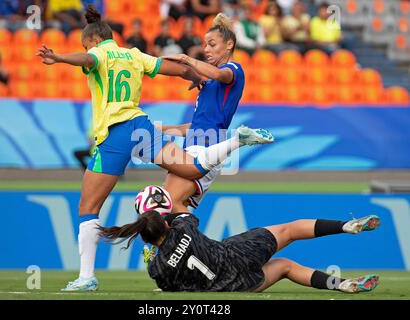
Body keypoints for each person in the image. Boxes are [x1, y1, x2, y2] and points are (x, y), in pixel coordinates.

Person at [36, 5, 274, 291]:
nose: (207, 49)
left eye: (211, 44)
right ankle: (170, 257)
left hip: (117, 132)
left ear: (95, 40)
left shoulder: (100, 52)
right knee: (165, 198)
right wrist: (191, 78)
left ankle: (89, 276)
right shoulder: (133, 54)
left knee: (91, 207)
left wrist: (60, 57)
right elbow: (168, 69)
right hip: (142, 126)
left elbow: (87, 58)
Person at [100, 197, 381, 293]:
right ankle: (346, 226)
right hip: (235, 254)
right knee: (290, 229)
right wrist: (163, 208)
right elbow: (182, 209)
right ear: (164, 224)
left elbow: (166, 284)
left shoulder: (157, 269)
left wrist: (151, 252)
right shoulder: (181, 228)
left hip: (235, 285)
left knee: (285, 267)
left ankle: (341, 285)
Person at [158, 13, 257, 212]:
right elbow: (196, 126)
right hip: (194, 146)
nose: (206, 50)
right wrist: (162, 129)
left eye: (212, 44)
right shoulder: (209, 85)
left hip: (205, 148)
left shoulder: (233, 69)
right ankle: (185, 242)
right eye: (205, 45)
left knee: (168, 204)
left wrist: (187, 59)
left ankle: (187, 243)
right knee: (171, 206)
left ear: (229, 45)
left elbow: (221, 74)